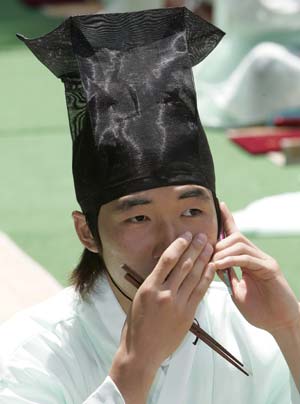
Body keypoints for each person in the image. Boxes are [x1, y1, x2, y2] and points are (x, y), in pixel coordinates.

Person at [0, 7, 299, 404]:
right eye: (139, 217)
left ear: (222, 218)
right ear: (86, 231)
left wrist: (289, 326)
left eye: (192, 211)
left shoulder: (251, 327)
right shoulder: (30, 355)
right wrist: (137, 364)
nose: (171, 244)